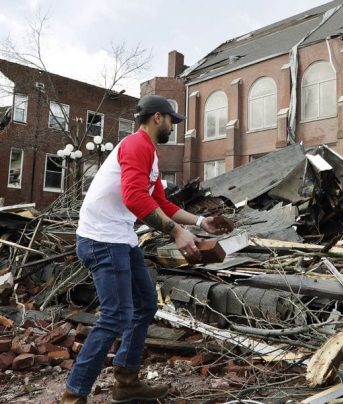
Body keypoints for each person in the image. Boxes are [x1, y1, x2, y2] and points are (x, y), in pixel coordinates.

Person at [61, 95, 233, 404]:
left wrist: (200, 221)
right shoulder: (135, 144)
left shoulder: (150, 154)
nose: (173, 126)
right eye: (171, 120)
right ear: (157, 118)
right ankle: (74, 395)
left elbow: (160, 203)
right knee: (114, 317)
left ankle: (126, 381)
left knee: (144, 305)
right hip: (102, 240)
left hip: (119, 238)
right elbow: (133, 198)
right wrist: (176, 231)